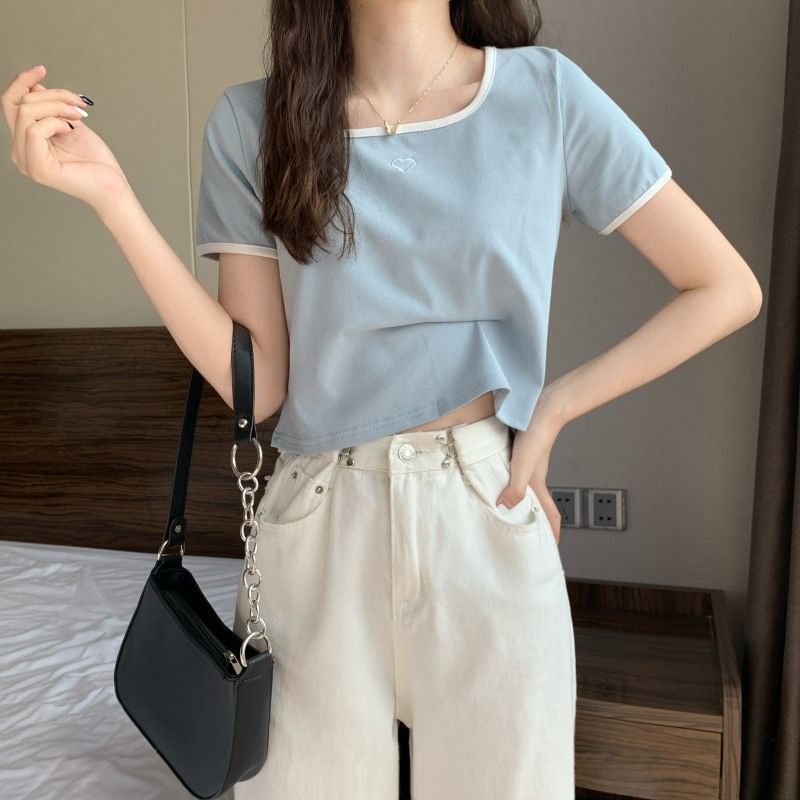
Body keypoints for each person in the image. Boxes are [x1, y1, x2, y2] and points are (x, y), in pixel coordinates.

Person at [3, 0, 762, 797]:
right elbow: (259, 383)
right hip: (317, 522)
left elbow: (725, 287)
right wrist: (115, 201)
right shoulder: (253, 120)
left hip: (483, 511)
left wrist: (555, 408)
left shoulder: (546, 94)